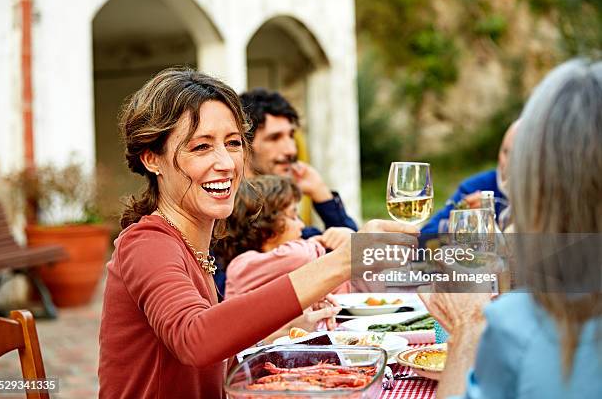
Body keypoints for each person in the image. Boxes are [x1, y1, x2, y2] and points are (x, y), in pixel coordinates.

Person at [98, 67, 418, 399]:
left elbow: (210, 361)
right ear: (152, 159)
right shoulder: (147, 243)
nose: (226, 162)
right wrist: (342, 261)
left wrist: (282, 333)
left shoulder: (191, 247)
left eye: (233, 143)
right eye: (200, 147)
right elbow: (196, 340)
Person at [420, 59, 602, 398]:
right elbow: (430, 233)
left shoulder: (521, 326)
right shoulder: (477, 185)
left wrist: (467, 327)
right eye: (505, 153)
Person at [239, 88, 358, 238]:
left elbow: (355, 249)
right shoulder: (236, 213)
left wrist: (321, 193)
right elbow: (355, 252)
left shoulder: (279, 205)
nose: (290, 150)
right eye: (274, 138)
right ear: (243, 145)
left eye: (291, 136)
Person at [217, 175, 351, 300]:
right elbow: (300, 255)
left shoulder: (295, 267)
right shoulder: (242, 267)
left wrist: (348, 239)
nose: (301, 225)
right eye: (293, 216)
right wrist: (319, 243)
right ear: (265, 229)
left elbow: (343, 290)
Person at [421, 120, 519, 234]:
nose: (511, 163)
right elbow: (426, 233)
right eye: (506, 153)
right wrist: (462, 221)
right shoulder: (477, 187)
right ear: (499, 152)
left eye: (521, 156)